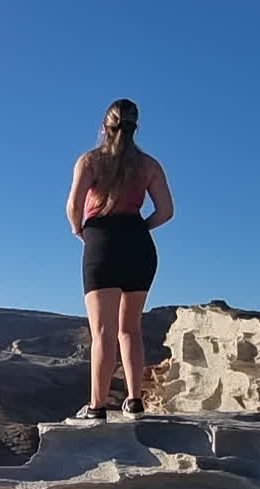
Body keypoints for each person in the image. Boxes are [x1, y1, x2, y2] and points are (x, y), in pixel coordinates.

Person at [65, 98, 174, 420]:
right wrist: (140, 227)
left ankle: (97, 406)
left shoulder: (91, 161)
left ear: (104, 126)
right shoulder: (150, 165)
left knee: (102, 331)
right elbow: (166, 211)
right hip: (139, 243)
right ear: (135, 126)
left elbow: (74, 205)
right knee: (131, 328)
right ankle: (134, 399)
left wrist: (79, 231)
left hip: (102, 241)